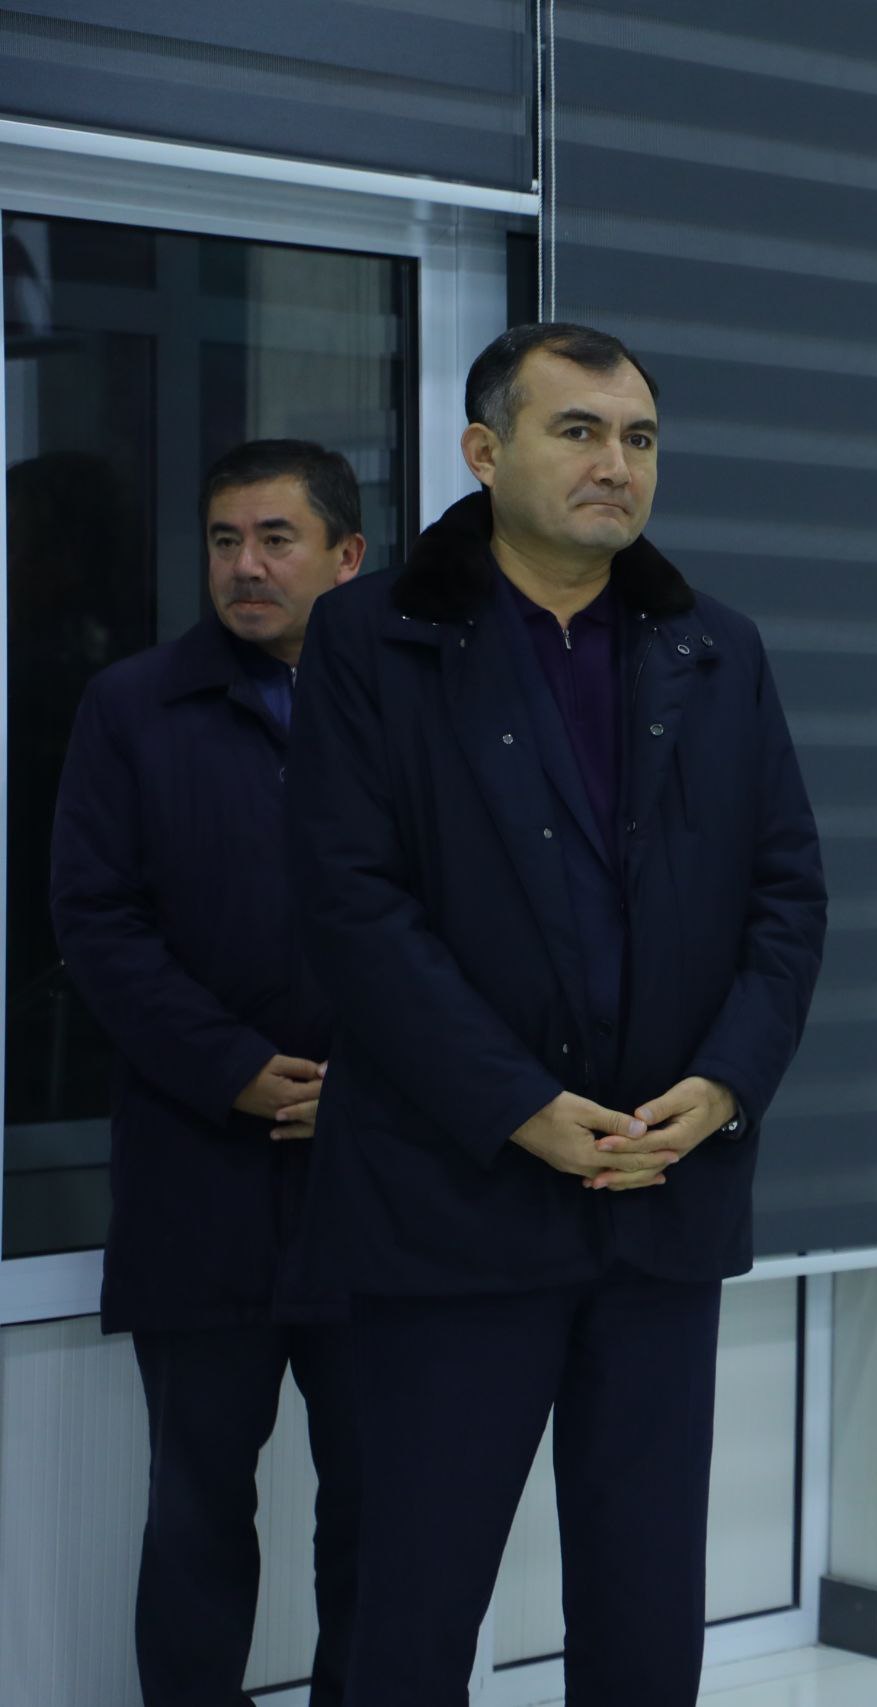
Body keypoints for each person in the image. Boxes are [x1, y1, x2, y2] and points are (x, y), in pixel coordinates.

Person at [287, 323, 827, 1705]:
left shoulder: (716, 646)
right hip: (451, 1200)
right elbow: (352, 906)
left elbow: (786, 893)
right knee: (412, 1605)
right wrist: (519, 1104)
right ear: (484, 451)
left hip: (660, 1195)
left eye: (637, 438)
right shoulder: (373, 635)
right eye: (576, 430)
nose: (614, 463)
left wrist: (725, 1084)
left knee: (646, 1610)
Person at [50, 439, 366, 1705]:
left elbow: (466, 925)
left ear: (346, 557)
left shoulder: (411, 708)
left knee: (380, 1505)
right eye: (226, 541)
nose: (245, 566)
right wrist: (233, 1068)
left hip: (371, 1179)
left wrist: (374, 1084)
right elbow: (96, 922)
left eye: (276, 540)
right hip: (199, 1170)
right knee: (195, 1507)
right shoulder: (133, 706)